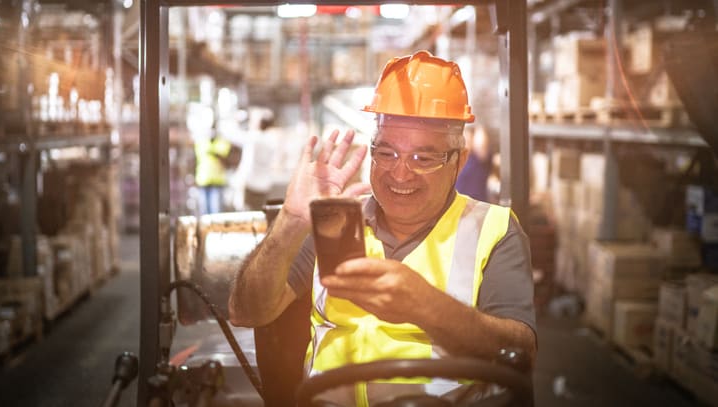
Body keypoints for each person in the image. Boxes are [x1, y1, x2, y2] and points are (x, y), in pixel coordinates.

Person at [229, 51, 536, 406]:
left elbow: (520, 352)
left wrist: (426, 306)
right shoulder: (336, 222)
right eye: (386, 152)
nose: (400, 173)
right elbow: (246, 312)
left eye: (423, 158)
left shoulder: (494, 230)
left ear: (459, 161)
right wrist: (291, 221)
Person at [194, 127, 237, 214]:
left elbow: (228, 162)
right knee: (204, 210)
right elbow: (195, 162)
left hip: (217, 182)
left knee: (216, 210)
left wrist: (216, 154)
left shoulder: (223, 144)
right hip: (203, 181)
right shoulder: (201, 144)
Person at [455, 123, 493, 202]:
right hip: (458, 205)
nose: (466, 140)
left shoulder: (479, 159)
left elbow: (482, 145)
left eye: (469, 138)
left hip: (477, 206)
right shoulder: (456, 159)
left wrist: (479, 123)